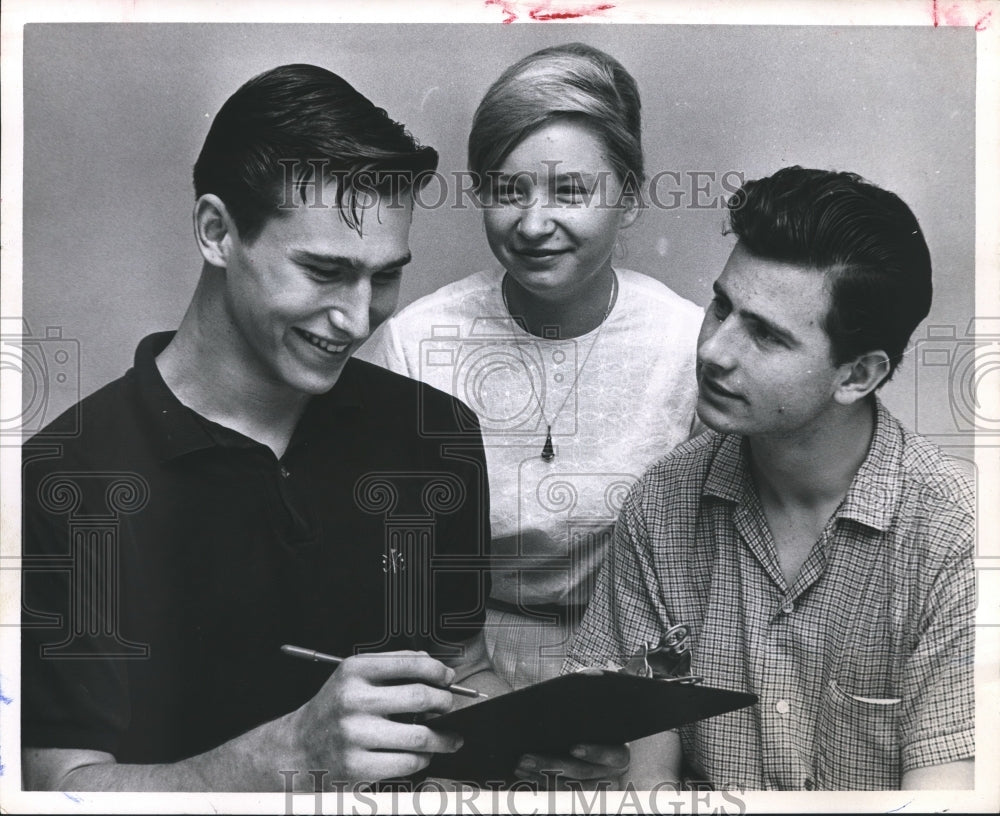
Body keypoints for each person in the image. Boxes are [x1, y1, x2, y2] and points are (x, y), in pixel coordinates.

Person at [21, 64, 625, 791]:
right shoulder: (71, 473)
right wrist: (281, 761)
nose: (359, 316)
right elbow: (62, 786)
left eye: (385, 275)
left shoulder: (436, 433)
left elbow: (460, 671)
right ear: (216, 231)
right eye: (324, 271)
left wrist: (527, 742)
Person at [565, 166, 975, 791]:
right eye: (722, 307)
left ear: (858, 375)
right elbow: (640, 786)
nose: (714, 351)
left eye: (766, 335)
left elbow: (946, 801)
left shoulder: (956, 538)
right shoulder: (663, 503)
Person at [359, 43, 703, 690]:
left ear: (628, 199)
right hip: (445, 662)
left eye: (570, 191)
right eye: (508, 192)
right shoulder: (415, 344)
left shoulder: (685, 347)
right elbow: (374, 547)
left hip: (634, 661)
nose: (534, 224)